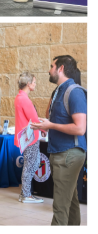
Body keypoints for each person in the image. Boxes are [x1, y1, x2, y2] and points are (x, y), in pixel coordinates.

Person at [29, 55, 86, 225]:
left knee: (60, 205)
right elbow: (55, 119)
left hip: (68, 153)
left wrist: (51, 125)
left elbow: (80, 128)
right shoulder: (59, 91)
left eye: (51, 66)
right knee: (71, 199)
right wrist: (46, 126)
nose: (49, 70)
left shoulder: (74, 92)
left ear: (60, 68)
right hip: (60, 152)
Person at [14, 72, 43, 203]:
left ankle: (25, 193)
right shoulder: (24, 99)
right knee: (30, 164)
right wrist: (44, 128)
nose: (35, 84)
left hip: (28, 136)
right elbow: (34, 119)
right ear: (28, 84)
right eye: (34, 82)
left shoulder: (20, 97)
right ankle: (26, 194)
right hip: (30, 137)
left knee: (33, 163)